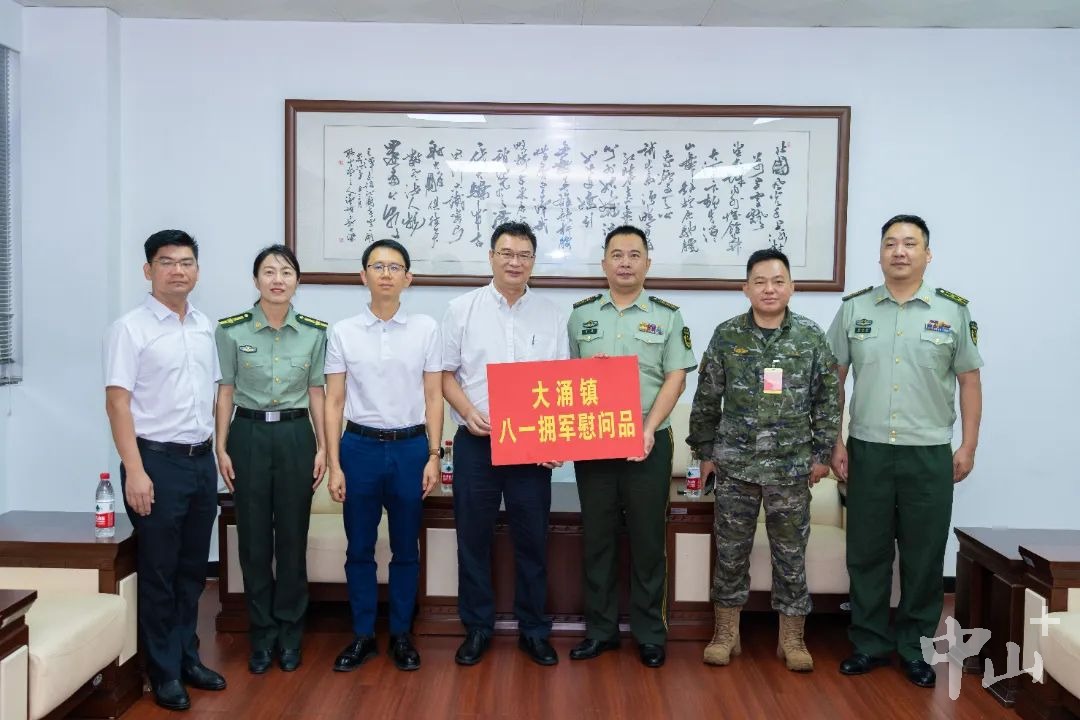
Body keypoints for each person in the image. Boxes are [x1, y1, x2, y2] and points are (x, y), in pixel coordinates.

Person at [827, 214, 983, 688]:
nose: (900, 251)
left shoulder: (953, 311)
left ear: (927, 254)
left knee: (924, 555)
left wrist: (968, 445)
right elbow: (833, 381)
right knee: (867, 553)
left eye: (910, 243)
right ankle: (869, 643)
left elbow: (969, 381)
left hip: (928, 452)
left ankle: (916, 649)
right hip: (868, 449)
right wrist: (835, 440)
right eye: (891, 243)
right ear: (879, 255)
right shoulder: (854, 309)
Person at [687, 248, 839, 672]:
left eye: (777, 281)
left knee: (790, 555)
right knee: (730, 553)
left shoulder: (810, 337)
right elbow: (706, 398)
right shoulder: (726, 335)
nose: (769, 289)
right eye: (759, 281)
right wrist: (705, 453)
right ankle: (726, 634)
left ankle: (792, 639)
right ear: (746, 288)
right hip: (735, 466)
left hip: (790, 468)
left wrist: (822, 454)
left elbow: (828, 399)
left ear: (791, 287)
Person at [103, 230, 226, 711]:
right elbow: (117, 403)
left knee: (192, 570)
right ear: (148, 270)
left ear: (197, 270)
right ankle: (163, 671)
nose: (178, 270)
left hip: (199, 461)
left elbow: (212, 394)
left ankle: (187, 656)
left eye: (186, 262)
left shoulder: (202, 325)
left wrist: (215, 452)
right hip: (154, 462)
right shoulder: (129, 329)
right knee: (158, 570)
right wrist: (135, 470)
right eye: (167, 262)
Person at [567, 224, 696, 668]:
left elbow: (676, 377)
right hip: (594, 440)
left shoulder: (668, 315)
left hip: (648, 440)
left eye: (634, 255)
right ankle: (600, 632)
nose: (625, 262)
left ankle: (650, 633)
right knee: (597, 539)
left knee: (647, 540)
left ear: (647, 263)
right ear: (604, 263)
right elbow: (564, 379)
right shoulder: (580, 315)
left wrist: (648, 427)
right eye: (617, 255)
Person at [441, 221, 569, 667]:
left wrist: (556, 440)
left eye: (524, 255)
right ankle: (477, 627)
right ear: (491, 257)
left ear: (533, 261)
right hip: (477, 443)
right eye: (507, 253)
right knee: (473, 539)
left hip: (531, 448)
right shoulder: (461, 309)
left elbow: (561, 383)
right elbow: (444, 375)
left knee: (532, 540)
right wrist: (467, 410)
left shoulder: (552, 314)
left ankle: (534, 630)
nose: (515, 262)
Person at [324, 239, 442, 672]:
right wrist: (335, 464)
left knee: (406, 548)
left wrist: (433, 455)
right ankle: (362, 635)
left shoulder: (426, 328)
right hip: (359, 448)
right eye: (378, 266)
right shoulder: (343, 331)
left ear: (408, 278)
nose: (386, 274)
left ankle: (401, 635)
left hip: (411, 449)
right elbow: (334, 401)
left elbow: (434, 396)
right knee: (360, 547)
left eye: (395, 267)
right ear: (364, 275)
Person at [214, 244, 327, 674]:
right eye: (268, 271)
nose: (277, 280)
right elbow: (225, 390)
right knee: (254, 541)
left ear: (297, 280)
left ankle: (291, 634)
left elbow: (317, 392)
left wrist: (323, 447)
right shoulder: (231, 331)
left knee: (293, 540)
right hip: (248, 434)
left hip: (296, 434)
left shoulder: (315, 332)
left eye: (286, 272)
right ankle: (261, 636)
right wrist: (220, 446)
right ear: (256, 279)